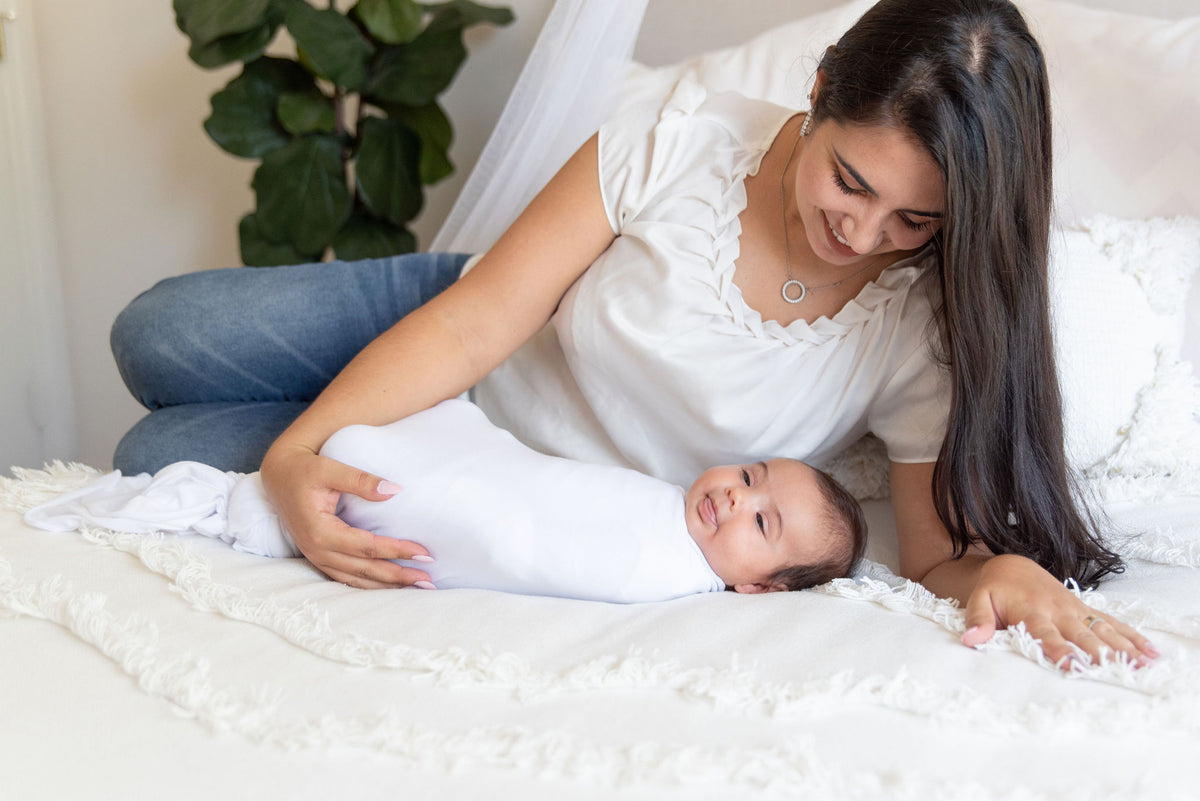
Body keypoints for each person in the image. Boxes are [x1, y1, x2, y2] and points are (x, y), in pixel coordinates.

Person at [109, 0, 1158, 666]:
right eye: (850, 181)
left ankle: (349, 430)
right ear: (824, 83)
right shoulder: (680, 134)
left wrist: (1004, 573)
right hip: (479, 322)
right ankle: (328, 426)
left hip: (495, 462)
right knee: (158, 336)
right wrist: (297, 459)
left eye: (913, 220)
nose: (863, 234)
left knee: (152, 455)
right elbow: (482, 320)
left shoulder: (923, 323)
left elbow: (933, 561)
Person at [27, 399, 867, 603]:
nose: (735, 495)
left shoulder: (667, 570)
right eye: (750, 474)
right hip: (468, 431)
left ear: (757, 587)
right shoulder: (664, 506)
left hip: (433, 482)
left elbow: (527, 545)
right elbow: (543, 485)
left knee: (147, 449)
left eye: (762, 521)